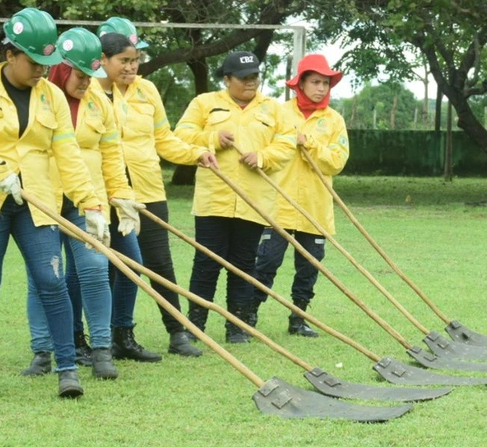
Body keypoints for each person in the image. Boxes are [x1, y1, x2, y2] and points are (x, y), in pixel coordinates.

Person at [0, 8, 109, 399]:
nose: (41, 72)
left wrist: (92, 205)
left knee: (52, 281)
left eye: (47, 64)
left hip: (37, 202)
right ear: (10, 54)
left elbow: (68, 155)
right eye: (35, 63)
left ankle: (67, 370)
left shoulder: (51, 95)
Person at [20, 28, 145, 380]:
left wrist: (122, 198)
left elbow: (111, 155)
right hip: (42, 199)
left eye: (92, 76)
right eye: (79, 75)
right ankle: (42, 352)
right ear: (61, 68)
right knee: (43, 276)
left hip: (85, 199)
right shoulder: (36, 98)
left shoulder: (98, 102)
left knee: (93, 268)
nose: (86, 83)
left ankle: (102, 350)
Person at [96, 18, 218, 359]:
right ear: (103, 58)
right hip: (106, 193)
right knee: (110, 268)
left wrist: (197, 153)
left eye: (136, 60)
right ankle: (110, 339)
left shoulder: (147, 90)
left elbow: (164, 139)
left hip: (148, 191)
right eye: (125, 60)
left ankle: (177, 333)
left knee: (159, 264)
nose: (132, 67)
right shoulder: (90, 90)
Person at [174, 51, 295, 342]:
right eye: (243, 78)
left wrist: (264, 157)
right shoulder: (204, 103)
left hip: (254, 200)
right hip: (213, 200)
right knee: (206, 264)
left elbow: (288, 142)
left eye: (255, 76)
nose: (251, 83)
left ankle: (237, 326)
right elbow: (181, 135)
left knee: (243, 265)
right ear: (227, 79)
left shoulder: (274, 109)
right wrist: (212, 139)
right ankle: (195, 326)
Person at [251, 53, 349, 337]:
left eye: (325, 84)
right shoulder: (278, 112)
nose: (321, 88)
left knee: (309, 267)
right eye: (315, 82)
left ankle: (299, 318)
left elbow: (337, 161)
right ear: (300, 84)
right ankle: (249, 314)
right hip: (278, 203)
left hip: (315, 207)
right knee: (267, 262)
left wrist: (312, 145)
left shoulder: (334, 120)